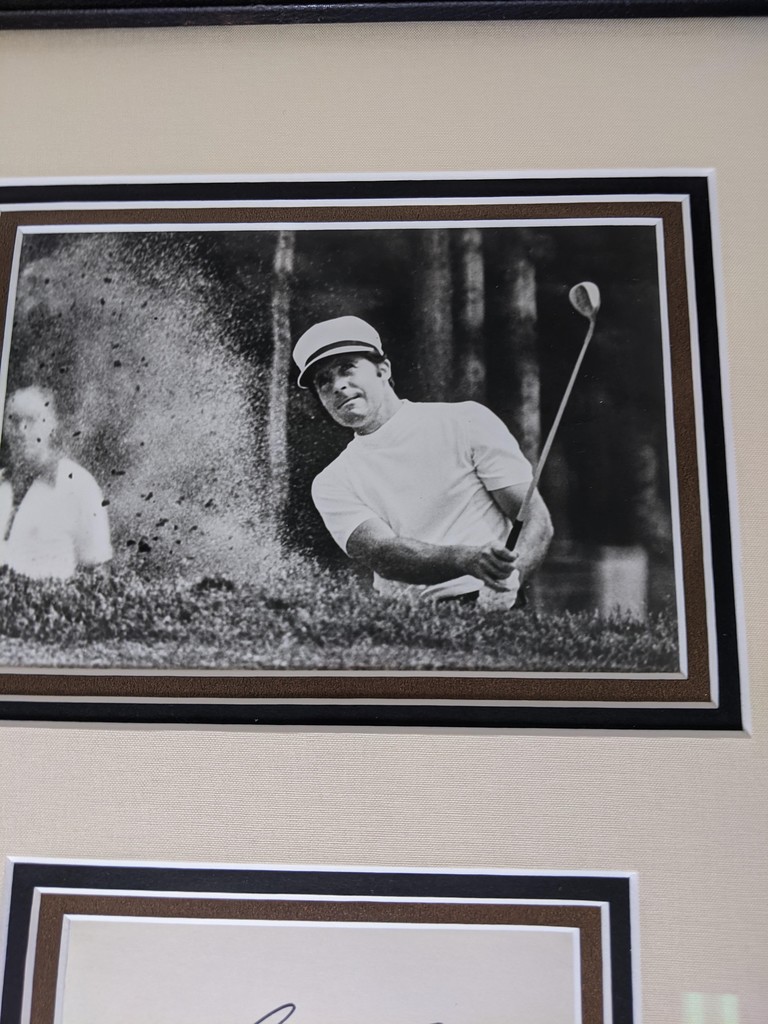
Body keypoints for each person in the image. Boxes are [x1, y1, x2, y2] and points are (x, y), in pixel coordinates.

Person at [293, 315, 553, 606]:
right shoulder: (331, 482)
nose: (338, 386)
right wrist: (464, 559)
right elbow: (383, 554)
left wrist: (510, 582)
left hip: (493, 599)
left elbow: (535, 519)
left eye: (347, 368)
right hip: (408, 617)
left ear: (383, 370)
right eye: (324, 381)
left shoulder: (467, 420)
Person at [0, 386, 112, 580]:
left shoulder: (78, 484)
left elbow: (98, 569)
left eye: (31, 420)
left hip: (48, 596)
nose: (21, 430)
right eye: (14, 420)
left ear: (50, 425)